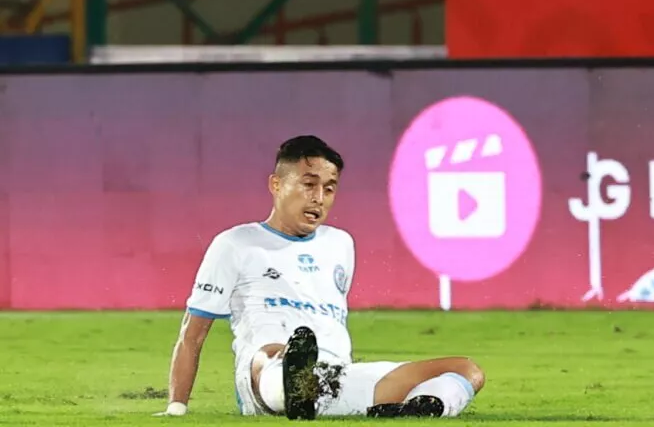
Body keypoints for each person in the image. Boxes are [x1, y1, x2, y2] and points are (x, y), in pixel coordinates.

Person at [158, 135, 485, 420]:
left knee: (466, 371)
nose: (319, 198)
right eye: (308, 184)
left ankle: (420, 410)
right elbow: (192, 334)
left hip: (337, 378)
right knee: (272, 353)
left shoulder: (340, 244)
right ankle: (294, 385)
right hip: (266, 378)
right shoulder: (235, 244)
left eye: (329, 189)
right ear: (276, 184)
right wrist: (177, 407)